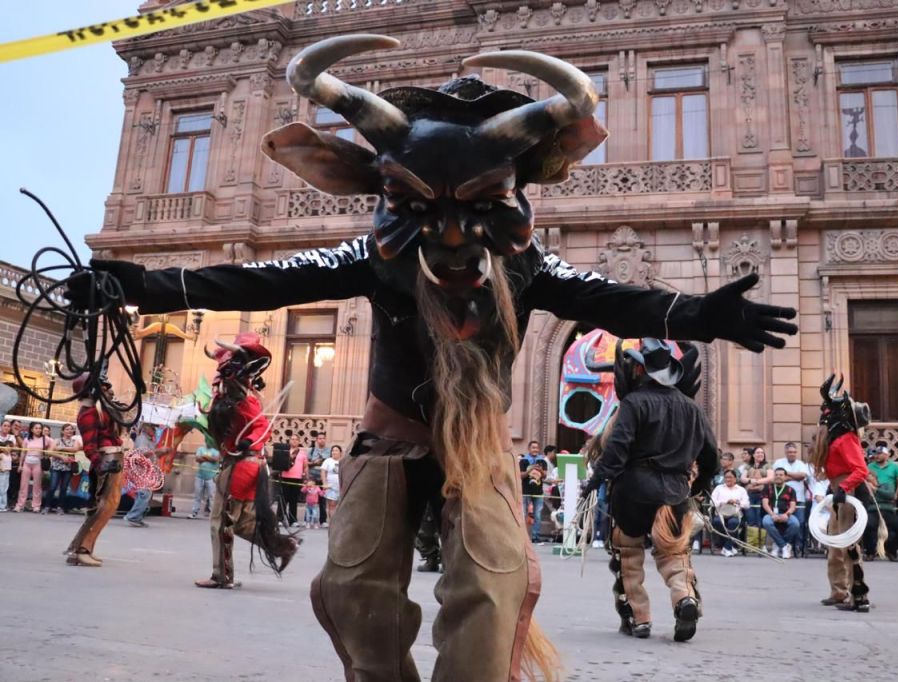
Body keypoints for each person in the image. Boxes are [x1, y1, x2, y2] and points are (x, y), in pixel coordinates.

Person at [68, 35, 796, 680]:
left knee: (494, 586)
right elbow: (266, 278)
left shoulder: (527, 267)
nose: (451, 236)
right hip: (390, 441)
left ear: (513, 197)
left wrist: (701, 315)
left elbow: (615, 299)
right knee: (350, 592)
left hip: (480, 448)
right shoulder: (377, 258)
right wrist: (135, 284)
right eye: (420, 206)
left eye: (479, 205)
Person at [584, 339, 718, 642]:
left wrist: (597, 478)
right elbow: (711, 457)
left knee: (627, 554)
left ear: (642, 368)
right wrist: (698, 487)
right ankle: (685, 599)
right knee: (674, 553)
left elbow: (618, 446)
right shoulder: (692, 408)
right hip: (675, 490)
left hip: (632, 491)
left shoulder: (634, 402)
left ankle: (638, 617)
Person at [195, 334, 299, 589]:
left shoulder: (243, 398)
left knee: (222, 521)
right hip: (250, 464)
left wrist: (247, 442)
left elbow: (262, 427)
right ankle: (283, 546)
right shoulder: (238, 396)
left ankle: (222, 575)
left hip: (241, 465)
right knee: (243, 522)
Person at [810, 374, 872, 612]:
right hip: (838, 492)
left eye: (826, 412)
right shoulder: (835, 438)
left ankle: (856, 594)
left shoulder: (846, 439)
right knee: (835, 543)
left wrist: (844, 490)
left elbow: (860, 470)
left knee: (847, 544)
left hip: (848, 493)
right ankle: (838, 591)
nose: (823, 416)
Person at [66, 375, 127, 567]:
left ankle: (83, 548)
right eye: (103, 387)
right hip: (106, 458)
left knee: (105, 508)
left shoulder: (101, 410)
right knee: (103, 508)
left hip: (112, 456)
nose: (108, 390)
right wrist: (100, 465)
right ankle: (81, 549)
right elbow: (89, 446)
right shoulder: (89, 413)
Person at [866, 446, 898, 559]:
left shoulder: (893, 467)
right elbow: (868, 497)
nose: (877, 456)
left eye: (880, 453)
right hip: (873, 510)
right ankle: (871, 552)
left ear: (887, 455)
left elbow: (893, 489)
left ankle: (891, 549)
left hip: (887, 510)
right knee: (865, 525)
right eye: (875, 453)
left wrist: (877, 490)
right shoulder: (870, 467)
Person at [772, 441, 812, 544]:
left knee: (800, 522)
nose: (792, 454)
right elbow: (777, 478)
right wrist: (794, 476)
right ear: (785, 452)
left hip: (799, 498)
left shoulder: (801, 464)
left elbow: (802, 476)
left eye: (794, 452)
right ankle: (785, 544)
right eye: (790, 452)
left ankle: (798, 545)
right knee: (782, 522)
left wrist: (785, 473)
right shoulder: (779, 462)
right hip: (782, 498)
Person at [125, 423, 163, 528]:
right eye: (153, 427)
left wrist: (163, 452)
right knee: (144, 494)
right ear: (146, 428)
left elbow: (153, 454)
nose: (155, 430)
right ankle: (133, 517)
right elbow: (141, 454)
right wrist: (156, 451)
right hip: (141, 470)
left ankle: (137, 517)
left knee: (145, 495)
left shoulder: (151, 440)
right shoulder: (142, 439)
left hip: (148, 471)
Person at [761, 467, 801, 559]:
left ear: (785, 477)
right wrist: (772, 514)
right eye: (776, 475)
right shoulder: (768, 488)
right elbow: (765, 504)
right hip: (771, 514)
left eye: (781, 475)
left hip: (786, 514)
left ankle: (777, 545)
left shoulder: (791, 490)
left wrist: (786, 514)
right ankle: (784, 546)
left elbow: (793, 506)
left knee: (795, 524)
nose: (778, 476)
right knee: (766, 522)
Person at [15, 422, 54, 513]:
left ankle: (36, 505)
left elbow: (54, 444)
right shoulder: (27, 439)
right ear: (32, 429)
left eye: (40, 428)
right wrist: (20, 465)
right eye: (36, 428)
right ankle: (20, 505)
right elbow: (23, 452)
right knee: (23, 485)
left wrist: (48, 452)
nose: (38, 430)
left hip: (38, 463)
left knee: (37, 485)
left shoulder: (45, 438)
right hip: (27, 462)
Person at [42, 423, 81, 515]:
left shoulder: (75, 441)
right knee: (52, 487)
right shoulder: (56, 440)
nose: (69, 431)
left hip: (68, 468)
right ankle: (47, 506)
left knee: (64, 488)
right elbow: (50, 452)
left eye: (71, 429)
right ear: (62, 431)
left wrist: (60, 448)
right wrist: (61, 456)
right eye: (67, 429)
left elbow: (75, 449)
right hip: (56, 467)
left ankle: (60, 507)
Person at [710, 469, 749, 556]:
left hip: (735, 514)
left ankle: (727, 548)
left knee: (733, 523)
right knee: (717, 522)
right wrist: (725, 501)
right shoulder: (718, 488)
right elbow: (711, 502)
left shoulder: (741, 490)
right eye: (726, 477)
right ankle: (730, 546)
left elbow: (746, 504)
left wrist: (737, 502)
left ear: (735, 479)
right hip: (721, 513)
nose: (728, 479)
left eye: (730, 477)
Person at [520, 440, 548, 543]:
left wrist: (540, 470)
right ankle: (523, 537)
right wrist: (529, 470)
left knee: (537, 514)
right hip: (526, 491)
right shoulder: (523, 461)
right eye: (533, 448)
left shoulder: (542, 461)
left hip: (538, 491)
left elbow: (545, 476)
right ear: (529, 449)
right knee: (524, 514)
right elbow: (520, 475)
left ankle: (535, 536)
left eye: (537, 448)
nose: (535, 450)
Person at [740, 447, 771, 535]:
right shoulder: (748, 466)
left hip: (763, 495)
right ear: (753, 455)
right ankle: (752, 545)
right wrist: (750, 481)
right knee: (750, 519)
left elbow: (770, 478)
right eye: (757, 452)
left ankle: (762, 545)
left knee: (760, 519)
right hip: (750, 495)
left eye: (762, 452)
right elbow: (742, 478)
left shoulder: (767, 465)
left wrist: (757, 482)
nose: (760, 454)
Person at [280, 434, 307, 528]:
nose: (294, 441)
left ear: (299, 441)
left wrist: (305, 476)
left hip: (297, 478)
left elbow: (305, 466)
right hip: (285, 477)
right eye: (292, 439)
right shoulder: (285, 451)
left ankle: (293, 520)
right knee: (283, 499)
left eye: (296, 439)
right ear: (289, 441)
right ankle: (279, 518)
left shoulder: (302, 453)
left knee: (293, 500)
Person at [190, 444, 220, 519]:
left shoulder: (216, 451)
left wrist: (204, 457)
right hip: (200, 476)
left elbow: (215, 459)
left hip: (211, 476)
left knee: (211, 495)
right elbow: (197, 459)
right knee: (197, 495)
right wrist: (209, 458)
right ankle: (194, 512)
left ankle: (212, 514)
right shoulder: (200, 449)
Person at [307, 431, 330, 526]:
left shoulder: (329, 451)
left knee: (322, 499)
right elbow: (307, 463)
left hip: (323, 477)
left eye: (323, 438)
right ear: (316, 440)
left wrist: (319, 461)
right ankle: (309, 520)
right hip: (313, 477)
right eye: (319, 438)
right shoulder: (311, 450)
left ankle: (323, 520)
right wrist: (314, 463)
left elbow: (328, 462)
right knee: (311, 499)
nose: (321, 440)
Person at [320, 444, 343, 521]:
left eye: (336, 450)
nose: (334, 452)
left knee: (341, 506)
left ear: (340, 452)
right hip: (331, 486)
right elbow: (323, 472)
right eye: (333, 450)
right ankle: (332, 523)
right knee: (332, 505)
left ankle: (339, 523)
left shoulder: (344, 461)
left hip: (342, 487)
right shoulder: (328, 461)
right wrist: (324, 483)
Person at [0, 419, 17, 512]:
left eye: (8, 426)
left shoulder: (12, 437)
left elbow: (9, 450)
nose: (6, 427)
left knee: (3, 488)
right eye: (4, 425)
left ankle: (2, 506)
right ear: (0, 427)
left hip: (6, 466)